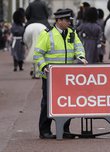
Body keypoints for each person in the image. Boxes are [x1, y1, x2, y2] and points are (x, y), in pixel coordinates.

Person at [34, 8, 87, 139]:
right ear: (58, 21)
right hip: (50, 75)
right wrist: (44, 65)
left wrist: (80, 56)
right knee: (47, 102)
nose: (69, 22)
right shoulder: (47, 34)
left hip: (67, 76)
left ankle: (65, 129)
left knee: (67, 102)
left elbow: (78, 47)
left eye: (69, 20)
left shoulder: (72, 33)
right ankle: (44, 130)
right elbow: (38, 53)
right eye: (66, 20)